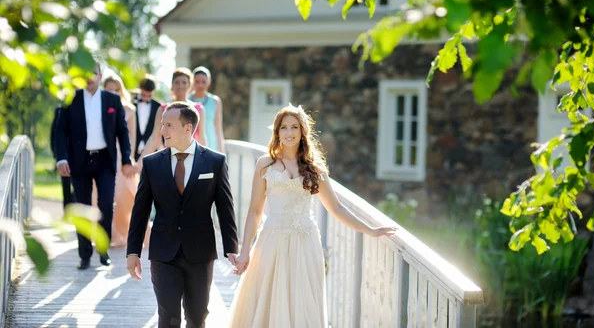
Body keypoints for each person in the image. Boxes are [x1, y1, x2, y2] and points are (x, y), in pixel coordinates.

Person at [228, 104, 397, 327]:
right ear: (277, 132)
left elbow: (336, 208)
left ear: (302, 131)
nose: (289, 133)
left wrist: (370, 229)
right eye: (284, 128)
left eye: (294, 127)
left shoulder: (314, 168)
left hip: (305, 243)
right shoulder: (265, 163)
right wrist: (245, 252)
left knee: (302, 302)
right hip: (272, 241)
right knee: (268, 299)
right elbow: (255, 210)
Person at [126, 102, 238, 328]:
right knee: (168, 317)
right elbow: (140, 210)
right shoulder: (152, 163)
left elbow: (225, 207)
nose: (162, 131)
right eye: (162, 125)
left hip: (200, 252)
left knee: (197, 318)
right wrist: (133, 251)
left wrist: (231, 248)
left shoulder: (215, 161)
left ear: (188, 128)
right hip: (163, 251)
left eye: (168, 125)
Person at [55, 63, 134, 270]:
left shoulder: (112, 99)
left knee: (106, 205)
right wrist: (61, 158)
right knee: (82, 207)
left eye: (93, 73)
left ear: (100, 76)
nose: (89, 77)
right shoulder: (70, 98)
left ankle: (103, 249)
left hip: (105, 161)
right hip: (78, 161)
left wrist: (126, 159)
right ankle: (84, 254)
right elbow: (60, 131)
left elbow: (122, 132)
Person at [102, 75, 147, 248]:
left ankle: (125, 232)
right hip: (103, 154)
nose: (112, 93)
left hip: (121, 155)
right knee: (101, 194)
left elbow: (132, 137)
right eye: (109, 89)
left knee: (123, 194)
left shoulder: (129, 109)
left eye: (116, 89)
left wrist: (128, 160)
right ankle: (107, 234)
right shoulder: (99, 107)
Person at [134, 68, 207, 173]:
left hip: (192, 158)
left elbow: (202, 137)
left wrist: (205, 160)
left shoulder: (198, 109)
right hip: (169, 158)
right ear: (172, 85)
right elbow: (155, 137)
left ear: (189, 85)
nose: (180, 86)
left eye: (184, 82)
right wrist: (140, 163)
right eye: (177, 82)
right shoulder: (163, 108)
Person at [189, 66, 225, 153]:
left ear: (209, 82)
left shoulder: (215, 101)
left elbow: (218, 129)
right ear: (192, 82)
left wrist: (222, 152)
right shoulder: (187, 100)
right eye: (197, 82)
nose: (200, 85)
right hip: (191, 145)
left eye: (203, 82)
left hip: (211, 145)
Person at [50, 104, 76, 209]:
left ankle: (74, 207)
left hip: (79, 156)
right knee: (66, 185)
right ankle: (66, 210)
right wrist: (57, 155)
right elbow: (55, 134)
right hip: (65, 156)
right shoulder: (61, 110)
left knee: (79, 186)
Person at [133, 75, 161, 161]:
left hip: (150, 151)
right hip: (132, 149)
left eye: (149, 96)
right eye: (143, 94)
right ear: (140, 89)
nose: (145, 98)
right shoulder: (130, 103)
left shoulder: (158, 106)